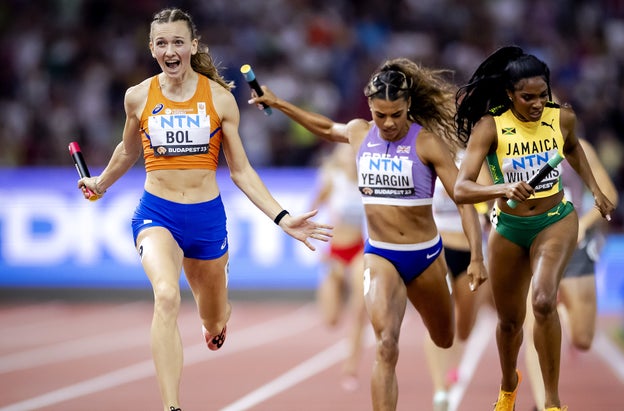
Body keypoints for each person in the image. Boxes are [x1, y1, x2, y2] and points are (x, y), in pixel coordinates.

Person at [75, 8, 332, 411]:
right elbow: (128, 150)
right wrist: (101, 183)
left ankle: (215, 316)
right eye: (162, 43)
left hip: (206, 220)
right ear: (152, 48)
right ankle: (172, 406)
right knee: (166, 295)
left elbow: (241, 170)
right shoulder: (138, 96)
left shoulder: (219, 99)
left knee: (214, 319)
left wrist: (282, 218)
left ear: (193, 46)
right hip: (156, 213)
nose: (170, 50)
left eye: (178, 42)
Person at [250, 57, 488, 411]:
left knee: (445, 336)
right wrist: (279, 102)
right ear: (370, 108)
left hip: (424, 256)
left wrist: (477, 256)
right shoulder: (361, 132)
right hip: (380, 255)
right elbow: (325, 128)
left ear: (409, 106)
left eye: (396, 114)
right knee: (385, 345)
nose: (389, 123)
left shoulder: (427, 144)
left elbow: (466, 200)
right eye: (381, 115)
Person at [452, 46, 615, 411]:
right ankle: (509, 385)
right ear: (510, 93)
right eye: (528, 97)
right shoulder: (490, 126)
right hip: (509, 228)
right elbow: (462, 189)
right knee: (510, 323)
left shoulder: (562, 119)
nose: (537, 103)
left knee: (543, 301)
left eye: (543, 95)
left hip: (556, 220)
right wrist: (502, 188)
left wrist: (596, 191)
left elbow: (573, 149)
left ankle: (553, 402)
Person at [523, 138, 619, 410]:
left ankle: (561, 314)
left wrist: (584, 225)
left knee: (583, 339)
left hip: (574, 245)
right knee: (533, 327)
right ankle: (545, 405)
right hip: (534, 242)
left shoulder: (577, 147)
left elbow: (609, 193)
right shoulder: (513, 143)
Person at [426, 150, 491, 411]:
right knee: (437, 320)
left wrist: (481, 207)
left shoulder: (474, 157)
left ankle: (456, 360)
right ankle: (440, 389)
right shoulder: (427, 152)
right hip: (438, 249)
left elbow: (488, 194)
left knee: (464, 325)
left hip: (470, 252)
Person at [310, 143, 368, 390]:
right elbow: (312, 210)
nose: (350, 156)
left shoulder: (369, 180)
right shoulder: (332, 180)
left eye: (354, 151)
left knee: (360, 307)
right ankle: (334, 292)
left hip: (359, 250)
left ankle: (351, 366)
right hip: (335, 252)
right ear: (338, 157)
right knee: (331, 319)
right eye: (345, 152)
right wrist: (316, 245)